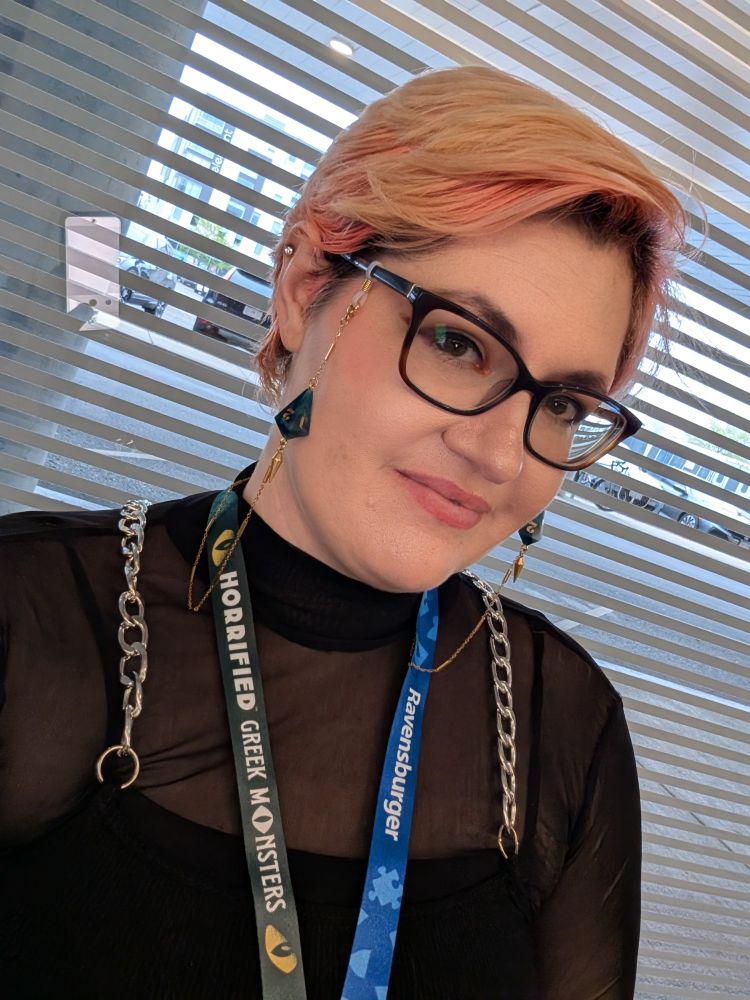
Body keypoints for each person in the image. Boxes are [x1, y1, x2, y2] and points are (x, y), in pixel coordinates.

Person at [0, 66, 687, 999]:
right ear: (303, 290)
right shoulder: (31, 618)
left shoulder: (563, 721)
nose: (498, 454)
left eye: (561, 403)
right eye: (456, 342)